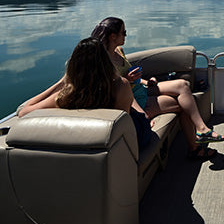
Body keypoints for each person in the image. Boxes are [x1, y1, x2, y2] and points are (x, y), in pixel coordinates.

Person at [91, 17, 224, 159]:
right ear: (113, 36)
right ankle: (195, 148)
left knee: (182, 85)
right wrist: (141, 114)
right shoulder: (103, 61)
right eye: (123, 32)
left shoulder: (119, 51)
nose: (126, 35)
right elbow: (117, 90)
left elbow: (131, 77)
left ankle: (202, 129)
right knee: (182, 105)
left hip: (141, 89)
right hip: (133, 100)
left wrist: (146, 81)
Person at [17, 37, 151, 145]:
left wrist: (60, 83)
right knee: (163, 104)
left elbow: (23, 111)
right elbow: (125, 126)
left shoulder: (67, 95)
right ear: (106, 63)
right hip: (123, 139)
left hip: (91, 141)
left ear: (74, 65)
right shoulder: (120, 86)